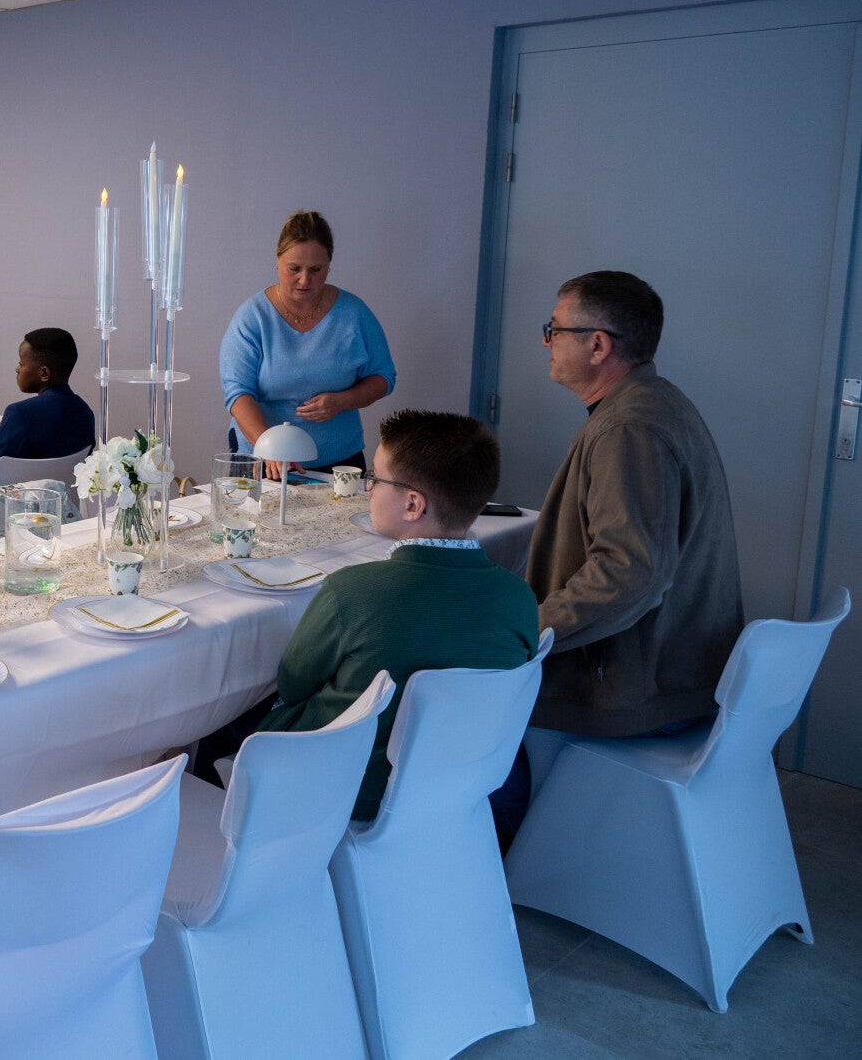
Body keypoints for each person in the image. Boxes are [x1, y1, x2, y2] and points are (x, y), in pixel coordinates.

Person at [494, 271, 744, 832]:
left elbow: (628, 574)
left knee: (460, 710)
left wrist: (525, 634)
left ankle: (502, 855)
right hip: (677, 667)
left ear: (598, 345)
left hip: (641, 688)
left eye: (554, 329)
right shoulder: (656, 402)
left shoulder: (627, 430)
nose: (544, 341)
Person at [238, 411, 540, 819]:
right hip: (458, 788)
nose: (368, 489)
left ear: (413, 504)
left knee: (230, 719)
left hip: (347, 791)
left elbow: (292, 686)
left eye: (375, 479)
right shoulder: (520, 598)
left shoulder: (351, 591)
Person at [219, 212, 395, 475]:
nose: (304, 280)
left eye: (315, 270)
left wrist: (342, 401)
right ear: (277, 261)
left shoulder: (354, 314)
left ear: (329, 266)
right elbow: (237, 393)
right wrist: (270, 448)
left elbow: (383, 377)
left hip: (339, 463)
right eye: (294, 269)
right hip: (264, 459)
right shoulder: (252, 318)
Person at [0, 327, 95, 487]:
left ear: (44, 373)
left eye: (21, 363)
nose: (17, 369)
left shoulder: (20, 414)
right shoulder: (85, 412)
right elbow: (50, 470)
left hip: (20, 501)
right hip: (61, 499)